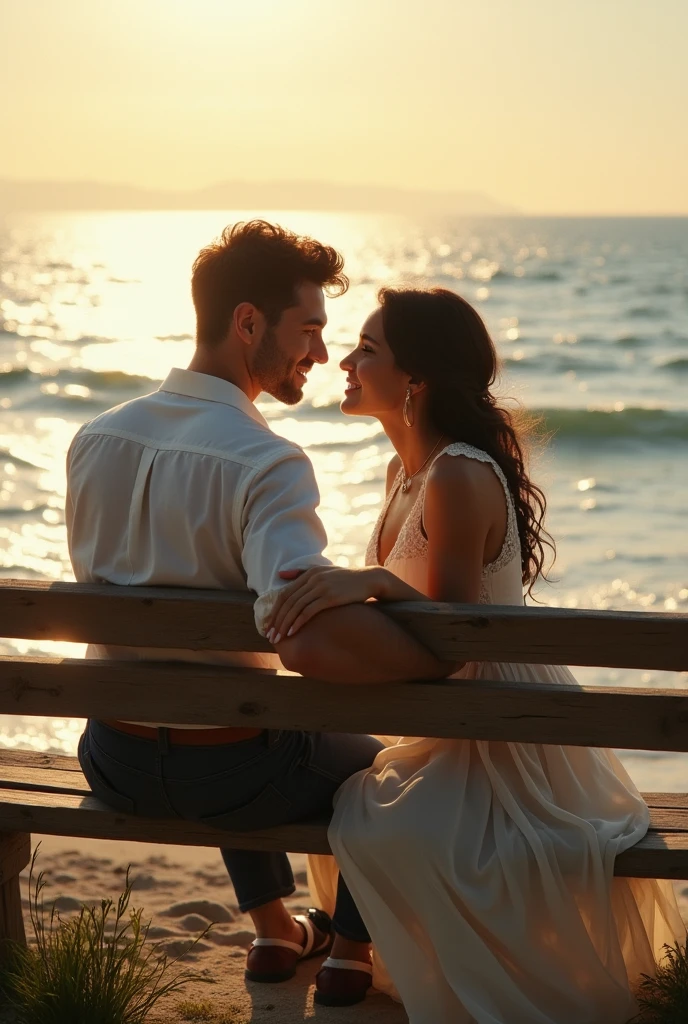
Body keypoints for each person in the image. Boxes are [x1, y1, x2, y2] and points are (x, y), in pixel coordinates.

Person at [267, 286, 685, 1023]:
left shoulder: (457, 473)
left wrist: (367, 583)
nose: (346, 362)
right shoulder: (405, 471)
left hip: (499, 723)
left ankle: (350, 951)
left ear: (416, 381)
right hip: (447, 714)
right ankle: (349, 950)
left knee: (374, 811)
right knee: (360, 796)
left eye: (368, 350)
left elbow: (463, 639)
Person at [66, 224, 450, 1009]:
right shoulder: (265, 460)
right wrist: (429, 661)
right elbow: (305, 637)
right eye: (308, 330)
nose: (318, 352)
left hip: (113, 761)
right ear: (248, 324)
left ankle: (277, 930)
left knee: (233, 709)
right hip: (237, 780)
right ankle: (346, 951)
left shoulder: (91, 441)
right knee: (391, 770)